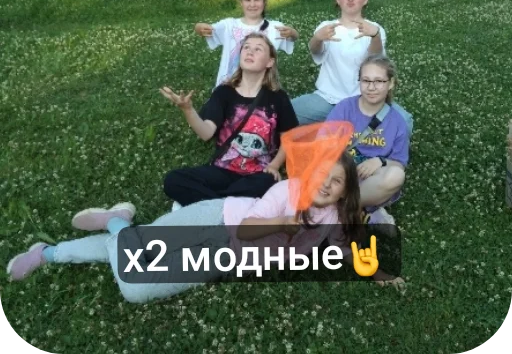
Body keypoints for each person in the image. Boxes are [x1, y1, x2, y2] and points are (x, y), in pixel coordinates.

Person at [7, 151, 405, 303]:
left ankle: (117, 224)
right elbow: (247, 230)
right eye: (322, 175)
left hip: (220, 258)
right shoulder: (288, 190)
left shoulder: (334, 218)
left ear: (345, 192)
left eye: (336, 181)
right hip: (217, 217)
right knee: (138, 253)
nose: (325, 185)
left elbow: (347, 249)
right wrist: (284, 222)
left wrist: (379, 273)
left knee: (135, 286)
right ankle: (51, 253)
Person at [161, 32, 298, 210]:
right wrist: (188, 110)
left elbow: (289, 137)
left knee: (267, 183)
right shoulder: (223, 93)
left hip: (257, 174)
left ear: (270, 62)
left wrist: (274, 165)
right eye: (246, 47)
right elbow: (206, 133)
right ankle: (230, 208)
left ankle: (210, 207)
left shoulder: (278, 97)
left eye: (258, 49)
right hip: (222, 170)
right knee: (173, 180)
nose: (250, 51)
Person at [291, 0, 412, 134]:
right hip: (327, 99)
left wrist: (374, 36)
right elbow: (315, 51)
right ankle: (345, 126)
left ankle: (345, 127)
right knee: (284, 111)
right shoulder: (326, 27)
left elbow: (376, 61)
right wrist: (317, 38)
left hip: (364, 100)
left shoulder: (375, 28)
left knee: (405, 121)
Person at [325, 54, 409, 226]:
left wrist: (380, 161)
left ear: (391, 83)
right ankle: (363, 211)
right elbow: (324, 143)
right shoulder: (345, 107)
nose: (371, 87)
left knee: (396, 175)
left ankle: (344, 206)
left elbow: (399, 163)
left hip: (370, 181)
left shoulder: (398, 122)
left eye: (379, 81)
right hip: (339, 172)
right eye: (366, 81)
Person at [194, 0, 298, 88]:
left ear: (265, 1)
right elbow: (206, 30)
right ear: (241, 2)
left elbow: (293, 37)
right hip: (228, 88)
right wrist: (199, 27)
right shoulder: (229, 25)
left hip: (261, 90)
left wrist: (293, 33)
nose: (252, 4)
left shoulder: (274, 28)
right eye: (247, 0)